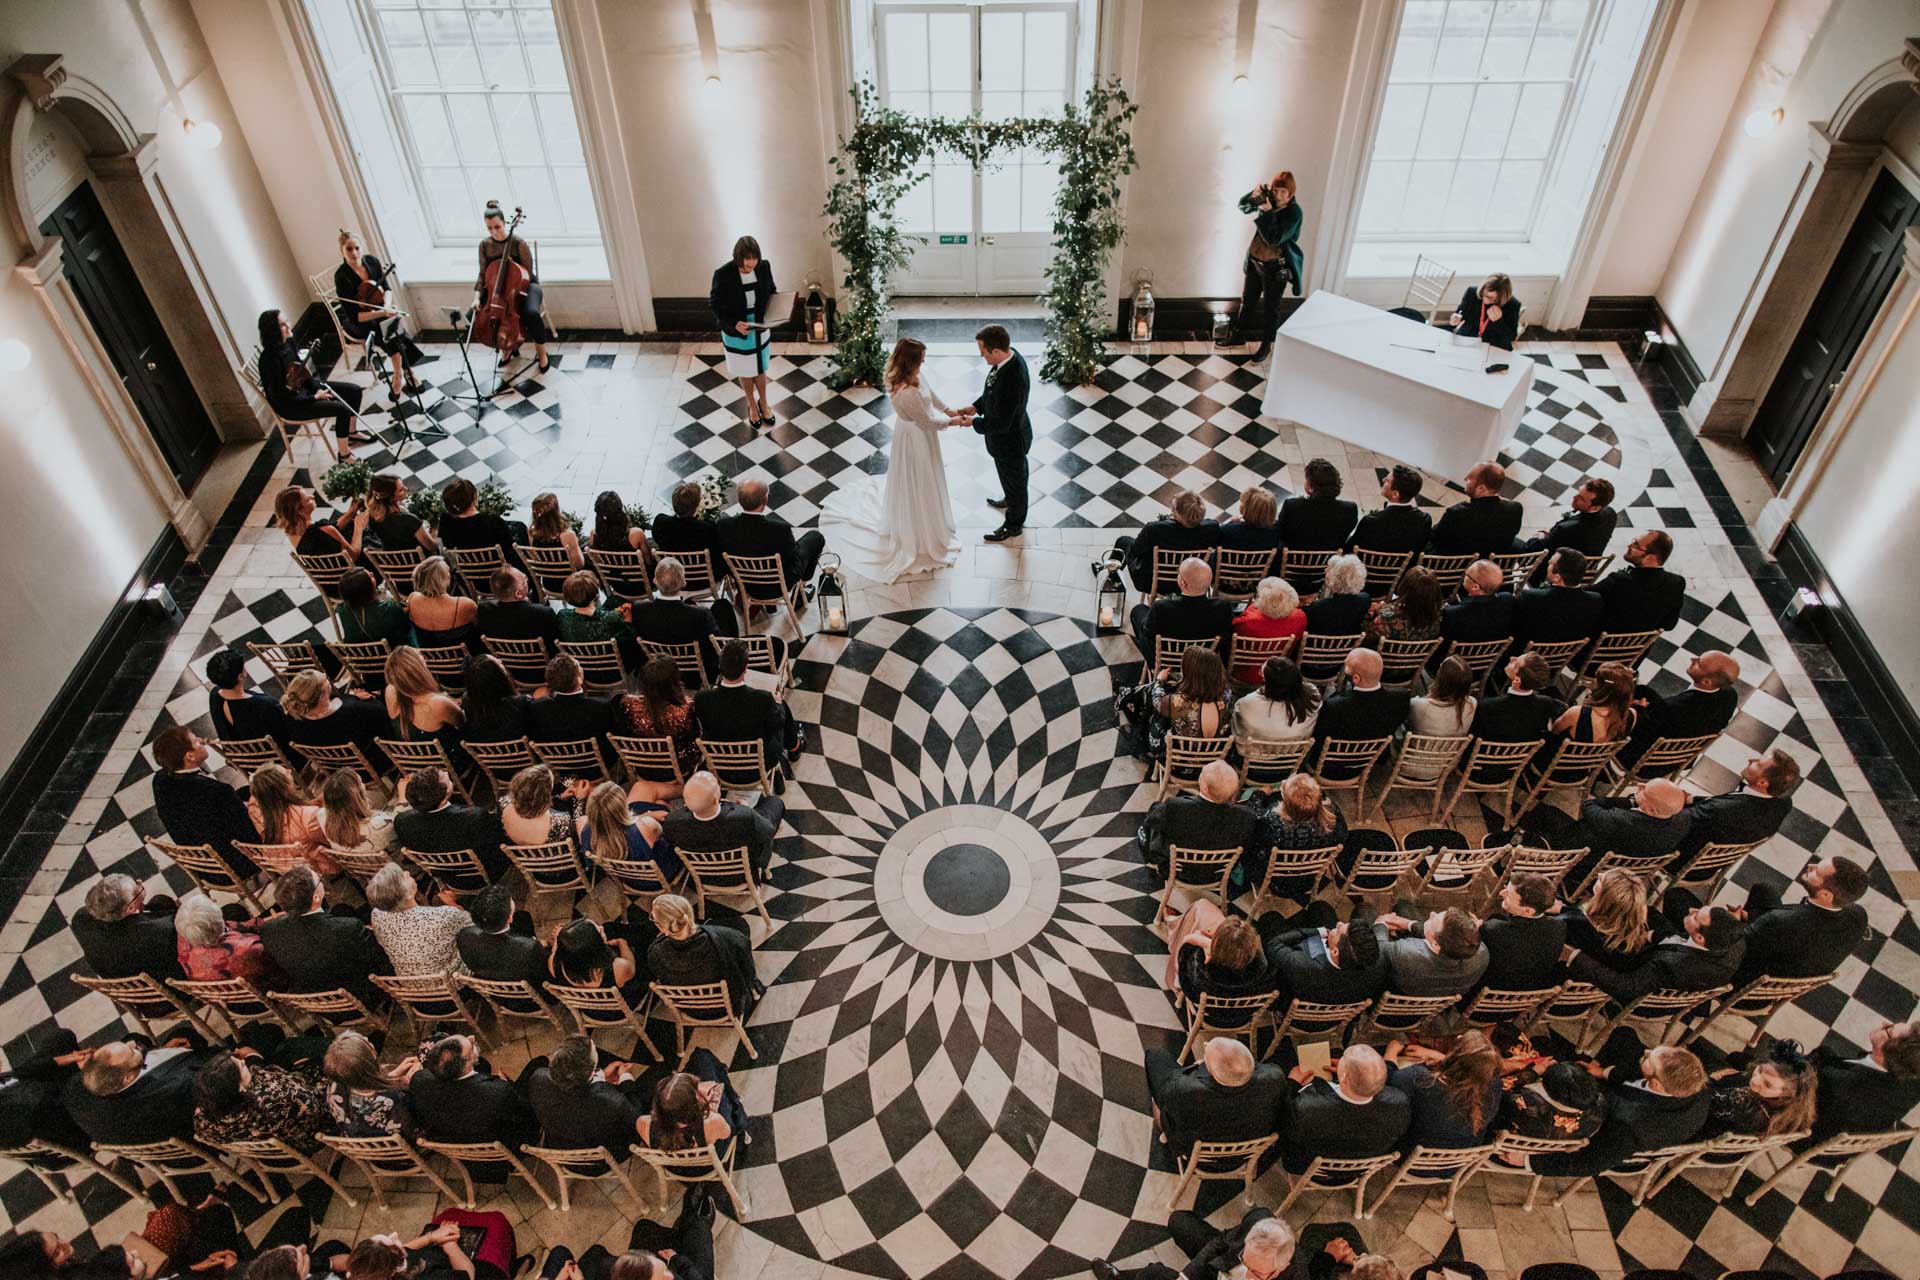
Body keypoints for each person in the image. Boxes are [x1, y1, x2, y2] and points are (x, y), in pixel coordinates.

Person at [820, 336, 964, 581]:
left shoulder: (913, 376)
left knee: (926, 476)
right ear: (911, 362)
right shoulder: (906, 392)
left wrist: (949, 409)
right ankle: (920, 533)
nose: (925, 361)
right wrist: (954, 422)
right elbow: (926, 422)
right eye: (921, 358)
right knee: (919, 480)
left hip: (921, 434)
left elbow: (931, 394)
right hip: (915, 437)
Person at [1530, 1045, 1709, 1176]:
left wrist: (1530, 1162)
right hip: (1628, 1097)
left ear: (1656, 1084)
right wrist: (1604, 1073)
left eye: (1649, 1059)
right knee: (1624, 1035)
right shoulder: (1693, 1082)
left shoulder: (1629, 1128)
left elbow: (1589, 1164)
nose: (1646, 1051)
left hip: (1610, 1124)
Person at [1720, 855, 1869, 985]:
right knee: (1763, 891)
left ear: (1825, 895)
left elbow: (1736, 947)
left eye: (1816, 872)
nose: (1810, 866)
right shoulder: (1859, 915)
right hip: (1793, 955)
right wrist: (1750, 918)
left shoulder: (1780, 921)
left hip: (1748, 979)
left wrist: (1733, 922)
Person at [1564, 900, 1745, 1003]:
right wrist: (1649, 935)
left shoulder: (1669, 965)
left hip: (1636, 967)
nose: (1691, 909)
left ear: (1700, 938)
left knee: (1583, 931)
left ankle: (1565, 911)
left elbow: (1626, 987)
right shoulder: (1735, 940)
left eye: (1696, 916)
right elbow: (1677, 938)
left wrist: (1574, 956)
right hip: (1670, 947)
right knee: (1646, 909)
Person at [951, 323, 1035, 543]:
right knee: (1010, 479)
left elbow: (1001, 423)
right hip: (1006, 438)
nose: (982, 356)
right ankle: (1009, 497)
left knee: (1016, 481)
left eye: (983, 352)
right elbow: (992, 393)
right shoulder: (1008, 358)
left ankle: (1013, 525)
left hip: (1011, 441)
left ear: (996, 351)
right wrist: (977, 406)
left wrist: (974, 422)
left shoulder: (1013, 379)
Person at [408, 1033, 539, 1168]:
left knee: (483, 1065)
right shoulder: (498, 1091)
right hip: (504, 1151)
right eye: (470, 1045)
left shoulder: (419, 1080)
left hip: (462, 1148)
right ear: (466, 1065)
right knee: (538, 1064)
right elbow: (525, 1112)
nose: (472, 1037)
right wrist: (508, 1084)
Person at [258, 866, 386, 1003]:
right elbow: (380, 956)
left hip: (317, 1000)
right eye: (319, 880)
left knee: (341, 909)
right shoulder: (347, 928)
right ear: (316, 897)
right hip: (357, 998)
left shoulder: (268, 930)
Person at [1145, 1035, 1286, 1159]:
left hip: (1195, 1154)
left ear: (1210, 1071)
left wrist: (1193, 1068)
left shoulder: (1184, 1089)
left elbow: (1167, 1094)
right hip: (1248, 1154)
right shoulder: (1275, 1078)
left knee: (1155, 1056)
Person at [257, 309, 373, 458]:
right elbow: (281, 395)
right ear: (272, 331)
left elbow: (302, 371)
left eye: (287, 321)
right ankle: (344, 455)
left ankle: (352, 432)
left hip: (304, 390)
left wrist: (317, 389)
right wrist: (314, 398)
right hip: (292, 405)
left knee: (354, 390)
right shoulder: (269, 361)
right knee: (342, 410)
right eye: (282, 325)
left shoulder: (288, 342)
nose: (288, 326)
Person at [1532, 780, 1693, 887]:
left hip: (1582, 860)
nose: (1639, 784)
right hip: (1618, 868)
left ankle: (1530, 845)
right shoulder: (1683, 820)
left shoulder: (1621, 820)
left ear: (1651, 810)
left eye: (1644, 790)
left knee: (1545, 812)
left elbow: (1590, 805)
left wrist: (1630, 801)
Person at [1280, 1044, 1411, 1173]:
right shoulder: (1400, 1103)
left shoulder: (1307, 1107)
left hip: (1311, 1169)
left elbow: (1285, 1125)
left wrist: (1292, 1084)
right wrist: (1355, 1074)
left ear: (1343, 1077)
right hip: (1360, 1169)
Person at [150, 726, 259, 878]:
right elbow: (250, 836)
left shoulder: (159, 781)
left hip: (203, 865)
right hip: (237, 864)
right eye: (196, 742)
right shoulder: (218, 791)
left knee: (247, 791)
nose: (202, 741)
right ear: (190, 756)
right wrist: (252, 810)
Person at [64, 1039, 216, 1147]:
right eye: (132, 1050)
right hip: (194, 1142)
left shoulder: (74, 1090)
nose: (132, 1043)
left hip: (145, 1144)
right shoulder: (174, 1088)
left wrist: (161, 1048)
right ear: (127, 1078)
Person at [333, 230, 425, 403]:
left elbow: (386, 289)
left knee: (390, 328)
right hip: (360, 321)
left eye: (356, 248)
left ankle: (399, 376)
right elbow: (355, 317)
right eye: (349, 249)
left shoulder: (372, 262)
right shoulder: (342, 276)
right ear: (342, 251)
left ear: (361, 248)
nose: (354, 253)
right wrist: (383, 312)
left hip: (381, 311)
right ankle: (406, 373)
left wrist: (388, 306)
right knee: (390, 331)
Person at [1136, 760, 1262, 883]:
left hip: (1177, 870)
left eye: (1202, 775)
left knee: (1151, 826)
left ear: (1204, 788)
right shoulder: (1246, 817)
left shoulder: (1175, 807)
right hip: (1218, 873)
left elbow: (1152, 819)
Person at [527, 1033, 643, 1158]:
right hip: (600, 1160)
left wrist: (602, 1076)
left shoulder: (538, 1077)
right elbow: (636, 1117)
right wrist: (625, 1079)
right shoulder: (612, 1101)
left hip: (559, 1147)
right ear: (591, 1071)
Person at [1620, 650, 1741, 769]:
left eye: (1699, 663)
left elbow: (1646, 729)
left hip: (1644, 760)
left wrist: (1639, 708)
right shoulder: (1730, 695)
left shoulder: (1675, 708)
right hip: (1682, 756)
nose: (1693, 659)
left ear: (1706, 682)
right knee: (1643, 691)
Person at [192, 1047, 327, 1149]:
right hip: (312, 1138)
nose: (245, 1063)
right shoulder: (282, 1097)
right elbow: (317, 1105)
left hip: (273, 1152)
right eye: (243, 1066)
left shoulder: (203, 1120)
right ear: (239, 1087)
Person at [714, 477, 826, 601]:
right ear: (765, 501)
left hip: (747, 584)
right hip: (779, 585)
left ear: (740, 501)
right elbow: (792, 556)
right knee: (816, 537)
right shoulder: (780, 529)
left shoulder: (723, 526)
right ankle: (800, 593)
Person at [394, 767, 509, 886]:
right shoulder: (474, 817)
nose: (446, 772)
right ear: (445, 795)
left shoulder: (401, 821)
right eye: (443, 777)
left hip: (448, 878)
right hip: (488, 874)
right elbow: (497, 842)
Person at [1809, 1018, 1920, 1141]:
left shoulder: (1838, 1081)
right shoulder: (1913, 1076)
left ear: (1886, 1050)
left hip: (1812, 1137)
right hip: (1851, 1132)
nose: (1884, 1023)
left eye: (1889, 1029)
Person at [647, 894, 758, 1018]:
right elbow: (748, 972)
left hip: (690, 1010)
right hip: (730, 1006)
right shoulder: (728, 938)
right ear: (689, 914)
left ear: (662, 928)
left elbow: (660, 976)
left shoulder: (655, 953)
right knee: (740, 925)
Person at [1233, 169, 1304, 359]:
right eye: (1276, 190)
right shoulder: (1269, 200)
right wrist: (1253, 195)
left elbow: (1275, 238)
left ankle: (1266, 346)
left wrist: (1267, 211)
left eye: (1283, 192)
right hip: (1256, 261)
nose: (1278, 196)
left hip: (1275, 266)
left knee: (1271, 308)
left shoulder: (1294, 212)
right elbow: (1242, 207)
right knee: (1248, 300)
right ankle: (1238, 336)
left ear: (1291, 194)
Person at [476, 199, 553, 373]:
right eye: (489, 228)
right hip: (497, 289)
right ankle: (506, 345)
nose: (494, 231)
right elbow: (482, 274)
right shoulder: (485, 245)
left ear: (504, 223)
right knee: (479, 313)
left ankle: (542, 354)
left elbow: (528, 273)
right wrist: (476, 298)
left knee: (531, 314)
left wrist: (510, 268)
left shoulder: (519, 243)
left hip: (525, 286)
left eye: (497, 226)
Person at [663, 771, 781, 884]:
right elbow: (768, 831)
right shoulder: (744, 816)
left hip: (703, 876)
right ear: (716, 799)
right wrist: (747, 809)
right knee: (774, 802)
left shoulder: (673, 822)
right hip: (745, 872)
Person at [1388, 1031, 1503, 1147]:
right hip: (1458, 1159)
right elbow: (1471, 1068)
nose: (1458, 1036)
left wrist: (1391, 1050)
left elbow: (1387, 1079)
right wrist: (1437, 1056)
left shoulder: (1423, 1080)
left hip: (1412, 1151)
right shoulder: (1493, 1084)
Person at [693, 641, 788, 781]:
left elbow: (704, 726)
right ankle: (793, 749)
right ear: (745, 669)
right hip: (758, 765)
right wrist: (778, 703)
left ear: (720, 667)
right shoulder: (763, 698)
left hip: (720, 764)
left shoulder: (702, 698)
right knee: (779, 716)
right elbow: (777, 724)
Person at [710, 234, 777, 428]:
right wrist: (734, 324)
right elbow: (715, 304)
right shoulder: (723, 274)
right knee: (745, 370)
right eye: (747, 259)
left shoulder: (763, 267)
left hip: (759, 327)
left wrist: (777, 311)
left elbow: (771, 291)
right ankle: (751, 405)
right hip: (737, 331)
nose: (751, 263)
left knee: (760, 368)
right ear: (738, 257)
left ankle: (763, 403)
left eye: (754, 258)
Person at [1263, 910, 1390, 1007]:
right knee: (1321, 908)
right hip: (1338, 996)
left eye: (1339, 930)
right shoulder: (1373, 963)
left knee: (1270, 918)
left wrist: (1317, 931)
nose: (1339, 923)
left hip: (1297, 995)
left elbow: (1274, 945)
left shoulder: (1301, 962)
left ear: (1335, 951)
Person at [366, 861, 472, 977]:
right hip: (452, 980)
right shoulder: (444, 915)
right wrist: (453, 904)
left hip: (412, 984)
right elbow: (473, 924)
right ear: (408, 894)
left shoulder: (376, 914)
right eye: (403, 876)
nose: (407, 872)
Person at [1167, 910, 1272, 1027]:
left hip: (1208, 1014)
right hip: (1242, 1017)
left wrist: (1201, 940)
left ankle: (1175, 923)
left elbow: (1184, 981)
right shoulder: (1264, 969)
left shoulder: (1198, 964)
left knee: (1200, 912)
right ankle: (1177, 922)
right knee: (1206, 915)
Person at [628, 558, 729, 679]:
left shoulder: (638, 609)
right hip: (694, 675)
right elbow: (718, 644)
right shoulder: (701, 614)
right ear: (684, 583)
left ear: (655, 581)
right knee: (723, 607)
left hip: (658, 669)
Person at [74, 872, 183, 982]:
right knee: (163, 902)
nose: (140, 884)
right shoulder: (162, 930)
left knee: (160, 901)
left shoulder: (80, 919)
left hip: (123, 976)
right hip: (163, 980)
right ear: (130, 908)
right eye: (137, 886)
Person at [1253, 773, 1348, 899]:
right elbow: (1343, 837)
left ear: (1285, 803)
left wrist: (1258, 794)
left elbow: (1254, 815)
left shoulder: (1272, 823)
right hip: (1309, 879)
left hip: (1275, 880)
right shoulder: (1333, 820)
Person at [0, 1027, 93, 1154]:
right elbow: (65, 1102)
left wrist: (71, 1058)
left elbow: (23, 1072)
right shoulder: (16, 1112)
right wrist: (85, 1074)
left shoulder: (5, 1085)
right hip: (70, 1126)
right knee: (97, 1074)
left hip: (47, 1094)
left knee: (61, 1037)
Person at [578, 778, 680, 888]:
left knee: (641, 788)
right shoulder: (645, 826)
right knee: (662, 804)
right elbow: (666, 832)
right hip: (661, 876)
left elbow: (613, 825)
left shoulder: (582, 826)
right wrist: (646, 816)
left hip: (627, 880)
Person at [1704, 1040, 1818, 1138]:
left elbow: (1703, 1099)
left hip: (1708, 1134)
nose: (1755, 1080)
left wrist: (1713, 1078)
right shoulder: (1790, 1110)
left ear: (1786, 1095)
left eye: (1768, 1085)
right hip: (1733, 1130)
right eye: (1760, 1070)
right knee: (1737, 1058)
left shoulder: (1743, 1101)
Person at [1117, 489, 1221, 593]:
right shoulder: (1212, 529)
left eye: (1173, 507)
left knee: (1123, 541)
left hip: (1152, 583)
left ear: (1177, 513)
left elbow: (1136, 550)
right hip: (1192, 582)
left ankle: (1113, 578)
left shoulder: (1154, 529)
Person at [617, 657, 703, 781]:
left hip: (643, 767)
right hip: (678, 769)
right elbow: (695, 738)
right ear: (674, 682)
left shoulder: (627, 704)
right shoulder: (685, 710)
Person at [321, 1030, 419, 1139]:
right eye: (367, 1045)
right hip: (394, 1143)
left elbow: (363, 1097)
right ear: (369, 1066)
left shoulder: (337, 1082)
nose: (368, 1040)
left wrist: (392, 1075)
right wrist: (412, 1083)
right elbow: (412, 1129)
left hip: (359, 1137)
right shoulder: (392, 1099)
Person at [1374, 907, 1488, 998]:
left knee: (1366, 911)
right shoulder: (1482, 954)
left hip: (1398, 993)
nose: (1432, 913)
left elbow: (1380, 948)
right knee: (1403, 906)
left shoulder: (1403, 953)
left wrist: (1381, 924)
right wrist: (1409, 924)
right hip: (1435, 997)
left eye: (1433, 920)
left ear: (1435, 945)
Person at [1478, 872, 1566, 991]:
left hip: (1494, 987)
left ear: (1528, 911)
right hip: (1533, 990)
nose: (1501, 893)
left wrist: (1477, 928)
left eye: (1508, 895)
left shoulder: (1493, 929)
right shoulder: (1559, 926)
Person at [1133, 558, 1234, 660]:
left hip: (1167, 661)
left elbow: (1148, 632)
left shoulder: (1161, 607)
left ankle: (1153, 667)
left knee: (1138, 611)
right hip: (1203, 661)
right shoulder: (1223, 607)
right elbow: (1226, 638)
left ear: (1182, 582)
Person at [1539, 661, 1637, 766]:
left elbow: (1554, 731)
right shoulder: (1632, 715)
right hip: (1586, 768)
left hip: (1555, 764)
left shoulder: (1578, 713)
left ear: (1601, 687)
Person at [1315, 649, 1411, 757]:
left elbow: (1319, 740)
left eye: (1346, 666)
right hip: (1373, 757)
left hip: (1333, 765)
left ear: (1356, 678)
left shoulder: (1334, 706)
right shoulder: (1401, 698)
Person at [385, 646, 468, 771]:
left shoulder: (390, 691)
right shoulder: (436, 703)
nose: (424, 659)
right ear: (418, 671)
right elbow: (462, 723)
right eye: (421, 660)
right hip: (447, 765)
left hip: (417, 762)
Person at [1560, 868, 1654, 972]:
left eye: (1601, 879)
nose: (1599, 873)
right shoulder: (1629, 942)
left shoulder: (1576, 924)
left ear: (1604, 899)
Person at [174, 891, 277, 985]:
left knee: (233, 909)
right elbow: (270, 958)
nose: (214, 900)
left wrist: (259, 922)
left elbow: (229, 926)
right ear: (221, 923)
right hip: (259, 986)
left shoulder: (184, 934)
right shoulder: (249, 946)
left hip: (217, 987)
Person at [1150, 645, 1233, 757]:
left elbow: (1156, 699)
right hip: (1215, 757)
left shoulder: (1175, 702)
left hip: (1180, 763)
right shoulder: (1226, 693)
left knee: (1156, 717)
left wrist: (1159, 680)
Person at [457, 885, 547, 988]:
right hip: (526, 994)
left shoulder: (464, 935)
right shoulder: (529, 947)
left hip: (495, 990)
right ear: (509, 918)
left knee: (522, 916)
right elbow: (541, 974)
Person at [1596, 530, 1685, 634]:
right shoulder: (1677, 583)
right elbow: (1669, 624)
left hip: (1599, 643)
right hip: (1639, 647)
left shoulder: (1618, 580)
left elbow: (1583, 597)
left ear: (1650, 558)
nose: (1629, 545)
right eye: (1634, 541)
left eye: (1636, 546)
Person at [438, 477, 530, 577]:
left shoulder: (446, 521)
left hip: (472, 576)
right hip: (500, 578)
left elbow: (448, 545)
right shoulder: (492, 521)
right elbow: (509, 547)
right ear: (473, 497)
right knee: (520, 530)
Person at [1428, 463, 1523, 557]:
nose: (1465, 478)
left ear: (1481, 488)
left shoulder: (1456, 513)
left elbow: (1435, 537)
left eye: (1469, 478)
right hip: (1492, 561)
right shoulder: (1515, 508)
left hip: (1459, 564)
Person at [1470, 653, 1560, 752]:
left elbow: (1473, 739)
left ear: (1517, 680)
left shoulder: (1487, 706)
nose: (1512, 658)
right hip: (1519, 761)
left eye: (1516, 663)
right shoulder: (1546, 703)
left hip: (1483, 761)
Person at [1499, 1058, 1606, 1142]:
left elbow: (1496, 1089)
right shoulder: (1599, 1107)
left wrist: (1533, 1072)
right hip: (1548, 1147)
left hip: (1510, 1143)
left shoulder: (1525, 1103)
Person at [1403, 657, 1476, 776]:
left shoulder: (1419, 705)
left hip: (1409, 764)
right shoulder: (1472, 703)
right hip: (1446, 767)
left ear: (1441, 679)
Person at [525, 654, 616, 749]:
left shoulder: (536, 707)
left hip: (556, 759)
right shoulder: (602, 706)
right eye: (580, 667)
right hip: (596, 762)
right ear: (579, 679)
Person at [1514, 549, 1605, 644]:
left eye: (1551, 564)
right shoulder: (1595, 600)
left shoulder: (1530, 597)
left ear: (1557, 577)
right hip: (1565, 656)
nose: (1548, 565)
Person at [550, 917, 646, 1006]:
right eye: (599, 931)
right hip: (616, 1010)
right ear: (594, 947)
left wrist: (562, 938)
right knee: (641, 955)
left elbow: (556, 950)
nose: (601, 927)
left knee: (608, 926)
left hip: (587, 1008)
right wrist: (622, 943)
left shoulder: (553, 963)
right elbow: (631, 967)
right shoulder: (619, 967)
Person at [205, 648, 291, 745]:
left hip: (239, 751)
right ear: (240, 676)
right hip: (271, 750)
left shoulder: (214, 694)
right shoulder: (265, 704)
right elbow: (285, 733)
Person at [1234, 656, 1321, 750]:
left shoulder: (1247, 704)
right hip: (1295, 755)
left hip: (1253, 757)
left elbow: (1237, 731)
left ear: (1268, 683)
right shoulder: (1313, 694)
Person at [1517, 477, 1617, 559]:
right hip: (1586, 566)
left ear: (1595, 507)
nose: (1574, 497)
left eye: (1581, 498)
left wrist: (1538, 536)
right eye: (1578, 493)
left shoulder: (1567, 529)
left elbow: (1532, 549)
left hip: (1555, 570)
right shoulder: (1611, 514)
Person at [1279, 458, 1358, 552]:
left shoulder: (1292, 506)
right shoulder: (1349, 509)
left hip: (1294, 560)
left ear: (1311, 487)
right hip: (1328, 561)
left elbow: (1280, 531)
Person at [275, 483, 367, 565]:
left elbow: (328, 535)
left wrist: (350, 513)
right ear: (299, 511)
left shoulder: (293, 534)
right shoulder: (324, 529)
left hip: (332, 577)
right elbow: (353, 556)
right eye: (308, 499)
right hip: (355, 574)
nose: (313, 496)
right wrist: (359, 525)